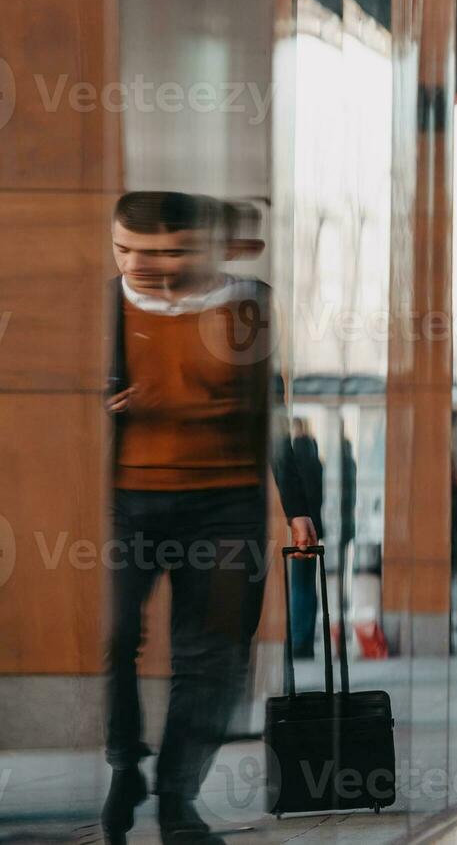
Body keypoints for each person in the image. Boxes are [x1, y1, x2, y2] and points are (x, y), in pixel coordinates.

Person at [101, 192, 317, 844]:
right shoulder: (105, 305)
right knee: (114, 638)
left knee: (214, 656)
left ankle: (177, 795)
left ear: (202, 249)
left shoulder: (248, 303)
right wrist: (104, 407)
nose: (140, 264)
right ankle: (124, 763)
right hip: (129, 501)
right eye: (126, 249)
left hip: (223, 501)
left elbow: (269, 410)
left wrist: (298, 506)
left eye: (164, 252)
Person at [278, 418, 326, 659]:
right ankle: (305, 639)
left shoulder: (296, 457)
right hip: (313, 527)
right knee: (308, 586)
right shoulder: (315, 457)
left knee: (299, 586)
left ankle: (298, 641)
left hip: (301, 532)